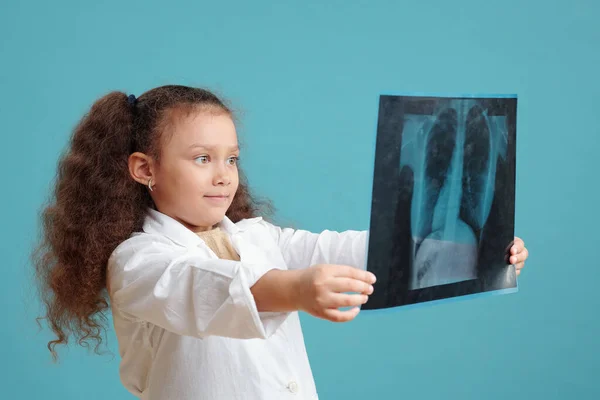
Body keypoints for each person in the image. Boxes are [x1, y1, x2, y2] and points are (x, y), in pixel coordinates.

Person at [32, 85, 530, 400]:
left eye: (232, 158)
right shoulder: (136, 261)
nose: (224, 175)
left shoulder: (255, 236)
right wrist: (295, 291)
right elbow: (199, 289)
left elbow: (344, 249)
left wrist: (477, 255)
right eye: (202, 158)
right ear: (144, 169)